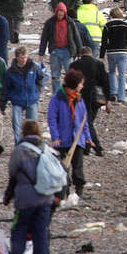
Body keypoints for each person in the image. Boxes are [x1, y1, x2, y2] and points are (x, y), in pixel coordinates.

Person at [2, 119, 53, 254]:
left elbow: (13, 174)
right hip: (45, 196)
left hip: (25, 198)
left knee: (20, 227)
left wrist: (7, 196)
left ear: (23, 132)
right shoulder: (46, 148)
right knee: (41, 229)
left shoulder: (20, 150)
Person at [47, 68, 92, 197]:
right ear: (74, 84)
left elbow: (84, 120)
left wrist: (87, 137)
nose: (82, 86)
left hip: (77, 139)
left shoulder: (79, 99)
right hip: (62, 139)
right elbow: (52, 119)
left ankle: (79, 192)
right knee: (62, 168)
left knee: (78, 167)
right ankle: (64, 192)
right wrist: (55, 137)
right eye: (81, 83)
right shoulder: (57, 99)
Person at [69, 46, 109, 157]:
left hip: (80, 98)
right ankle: (87, 148)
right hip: (96, 98)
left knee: (87, 123)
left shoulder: (74, 65)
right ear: (91, 54)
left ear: (81, 54)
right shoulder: (99, 64)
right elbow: (105, 82)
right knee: (89, 121)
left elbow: (70, 83)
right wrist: (108, 100)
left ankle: (96, 147)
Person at [2, 46, 44, 144]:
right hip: (17, 101)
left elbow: (41, 78)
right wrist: (3, 104)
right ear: (16, 57)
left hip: (32, 100)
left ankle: (34, 144)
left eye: (25, 57)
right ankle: (19, 145)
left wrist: (37, 91)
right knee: (17, 126)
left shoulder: (33, 67)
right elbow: (6, 88)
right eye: (21, 57)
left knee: (33, 126)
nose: (24, 60)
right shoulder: (10, 72)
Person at [39, 2, 82, 94]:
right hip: (55, 50)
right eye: (58, 14)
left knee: (70, 74)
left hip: (68, 50)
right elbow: (44, 38)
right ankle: (57, 95)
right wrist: (41, 53)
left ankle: (70, 93)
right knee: (55, 75)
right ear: (56, 13)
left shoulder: (70, 22)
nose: (60, 16)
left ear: (65, 13)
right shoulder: (50, 22)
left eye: (62, 14)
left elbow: (76, 37)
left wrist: (80, 51)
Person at [99, 7, 127, 102]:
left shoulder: (108, 25)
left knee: (112, 72)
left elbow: (104, 41)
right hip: (123, 51)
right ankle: (121, 97)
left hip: (111, 52)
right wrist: (125, 44)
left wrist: (101, 55)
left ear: (111, 15)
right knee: (122, 74)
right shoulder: (125, 25)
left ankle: (113, 92)